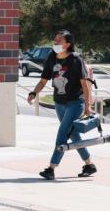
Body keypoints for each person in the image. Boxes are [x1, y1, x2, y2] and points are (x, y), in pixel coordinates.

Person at [27, 30, 101, 180]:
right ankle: (89, 165)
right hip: (59, 103)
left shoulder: (75, 60)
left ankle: (51, 168)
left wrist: (87, 106)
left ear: (67, 44)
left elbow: (84, 85)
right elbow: (43, 80)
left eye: (59, 41)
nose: (55, 43)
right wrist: (33, 93)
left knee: (62, 134)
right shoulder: (51, 58)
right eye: (55, 40)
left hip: (76, 102)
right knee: (72, 134)